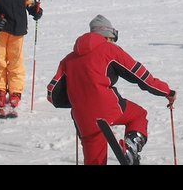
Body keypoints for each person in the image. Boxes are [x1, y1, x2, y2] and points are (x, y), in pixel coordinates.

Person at [47, 15, 175, 165]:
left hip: (83, 117)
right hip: (107, 108)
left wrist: (77, 101)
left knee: (95, 161)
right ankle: (131, 148)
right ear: (108, 36)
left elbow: (52, 93)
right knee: (138, 115)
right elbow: (139, 74)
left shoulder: (68, 59)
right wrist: (167, 91)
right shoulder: (109, 50)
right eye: (113, 39)